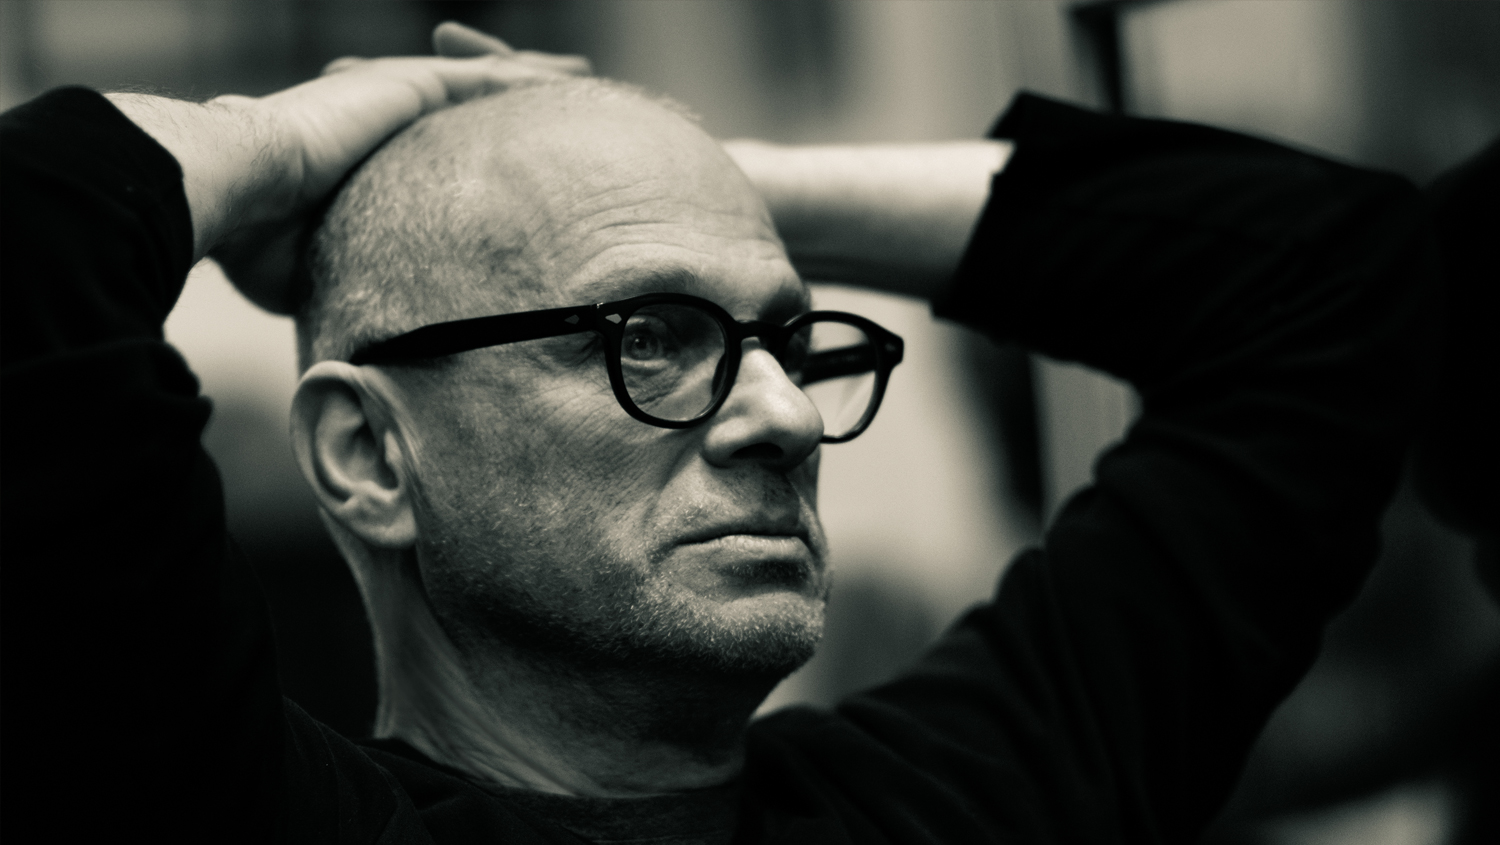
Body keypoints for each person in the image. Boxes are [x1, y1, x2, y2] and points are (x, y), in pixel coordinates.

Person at [0, 22, 1435, 844]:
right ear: (370, 457)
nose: (787, 416)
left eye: (790, 343)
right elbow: (31, 229)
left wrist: (671, 172)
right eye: (649, 336)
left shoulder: (965, 805)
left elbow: (1334, 280)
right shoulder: (225, 807)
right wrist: (294, 141)